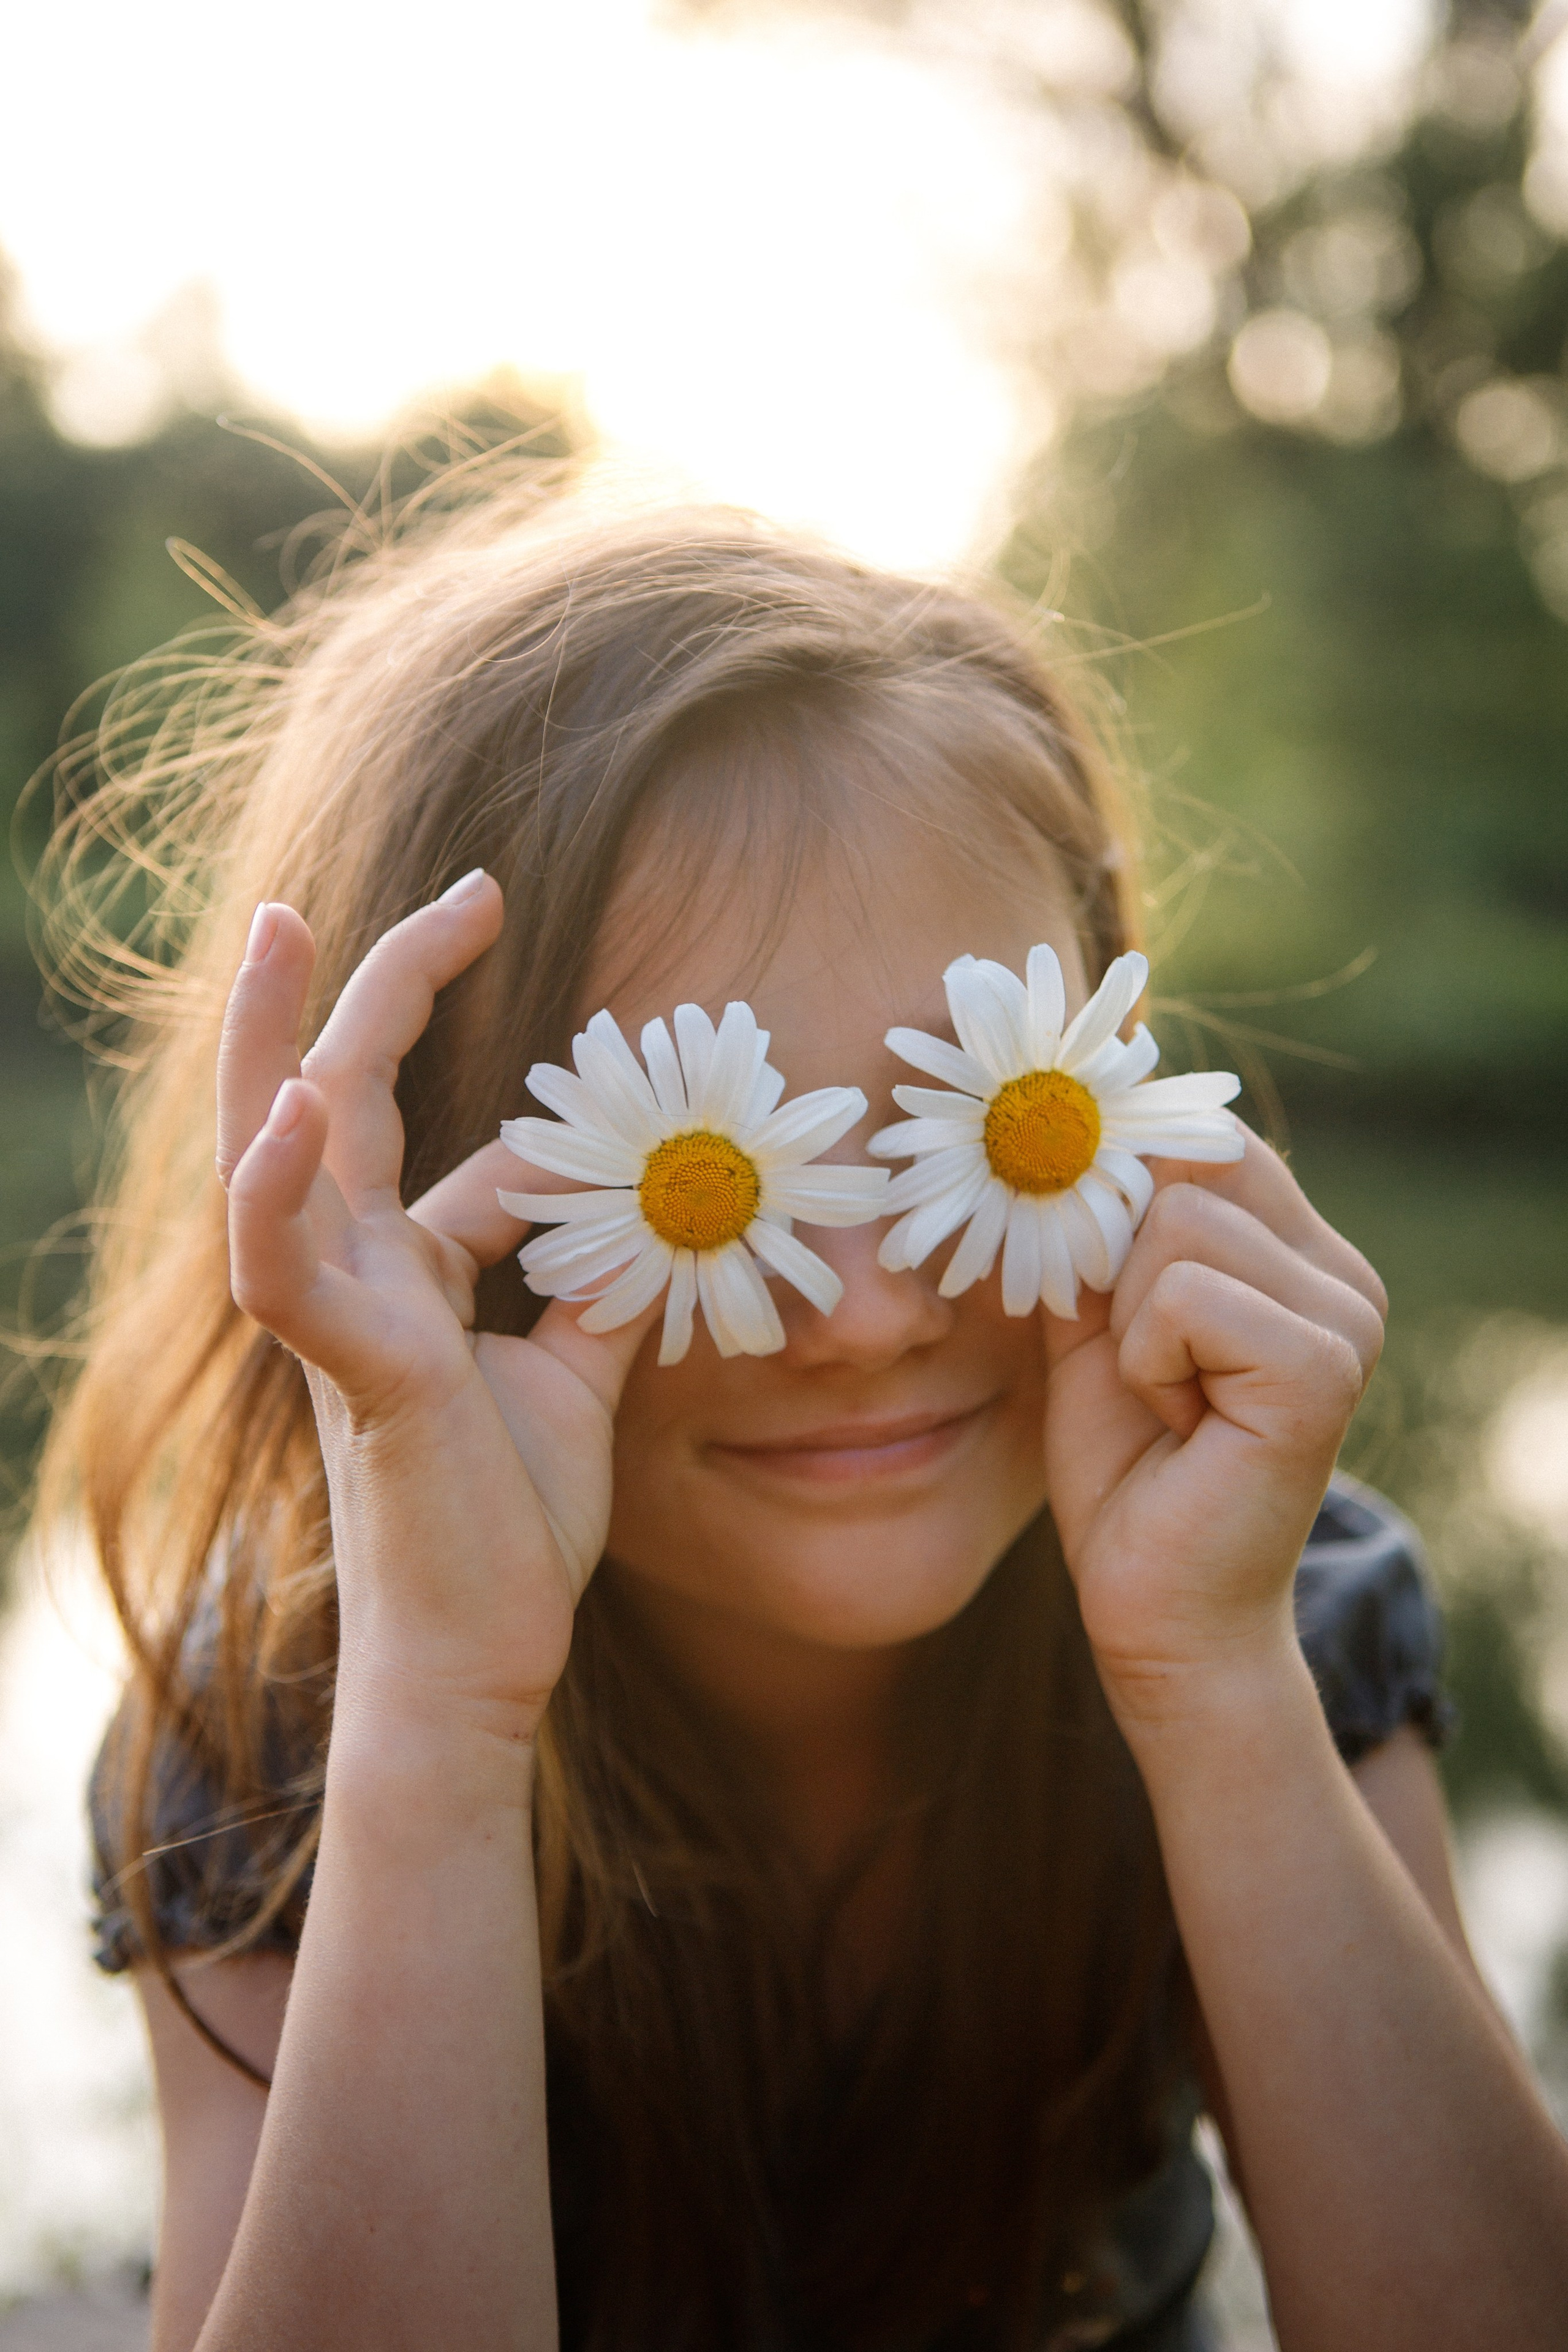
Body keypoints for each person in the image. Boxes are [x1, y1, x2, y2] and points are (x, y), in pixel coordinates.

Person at [40, 481, 1568, 2352]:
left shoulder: (1287, 1616)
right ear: (419, 1219)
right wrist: (439, 1715)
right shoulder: (283, 1732)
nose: (867, 1313)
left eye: (970, 1130)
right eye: (705, 1178)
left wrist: (1214, 1684)